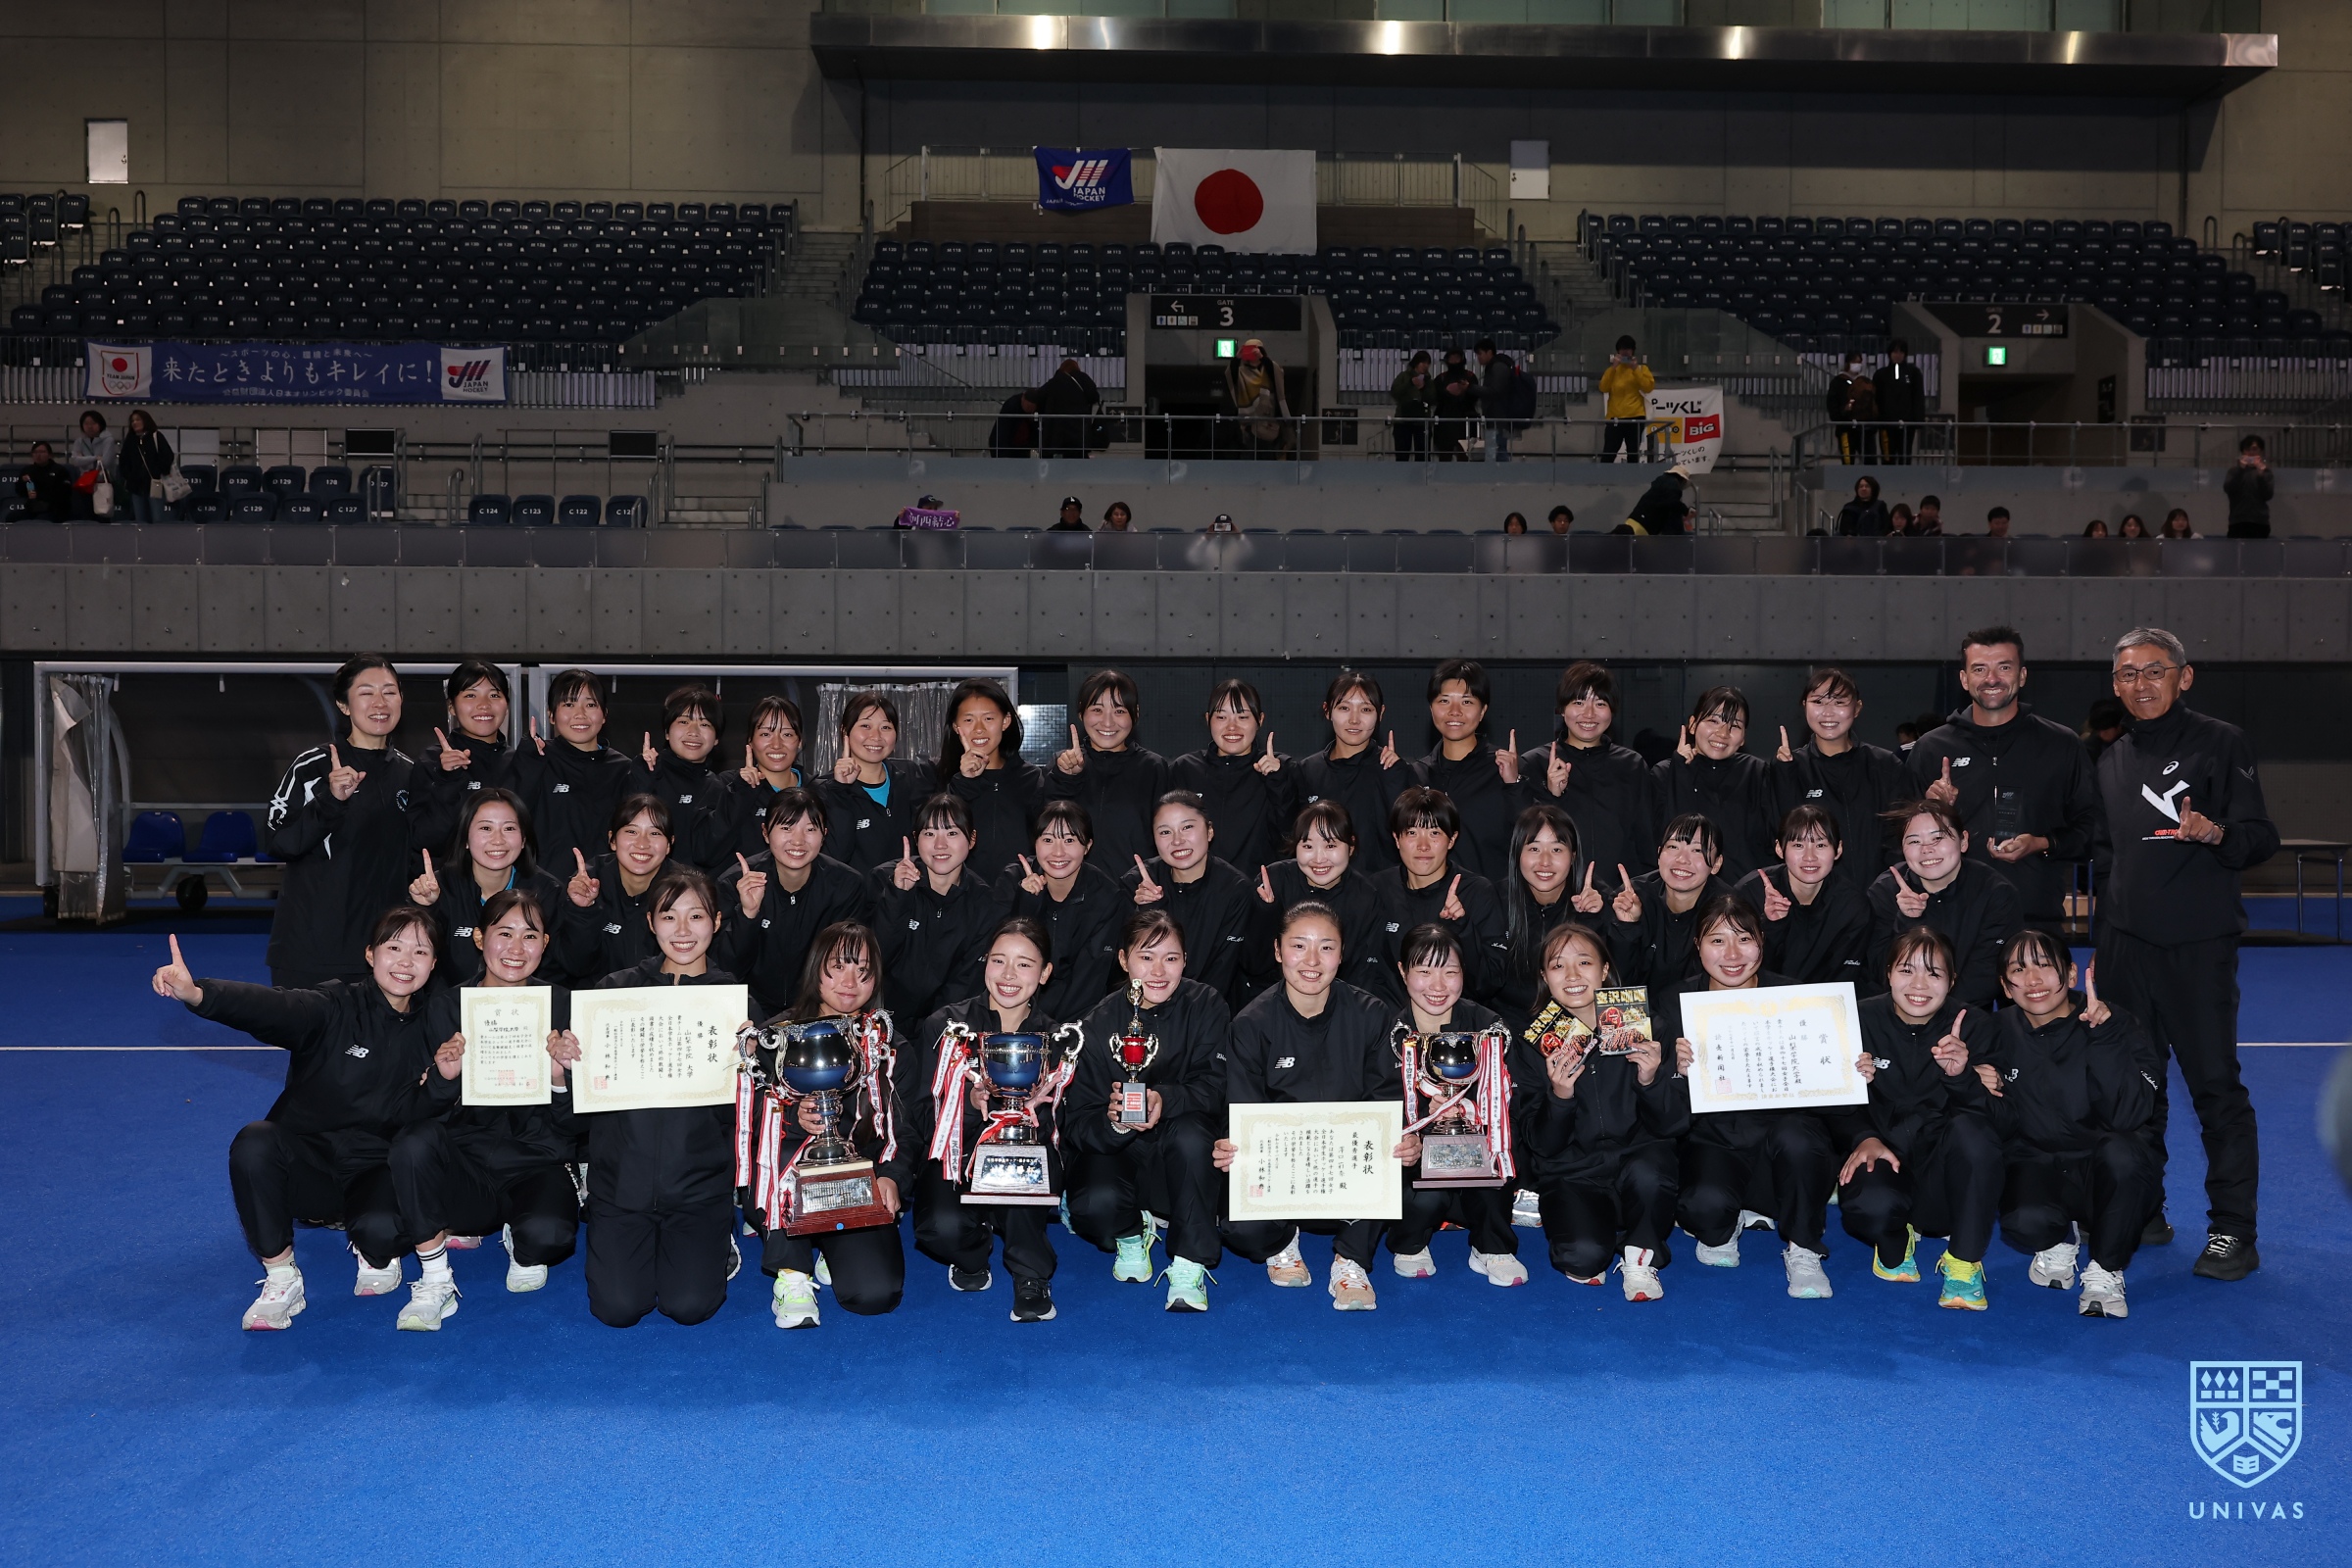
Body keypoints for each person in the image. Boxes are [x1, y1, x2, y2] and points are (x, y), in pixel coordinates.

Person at [153, 910, 444, 1330]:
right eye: (393, 947)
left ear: (434, 964)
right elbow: (272, 1006)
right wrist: (199, 994)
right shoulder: (334, 1004)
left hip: (379, 1168)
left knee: (381, 1233)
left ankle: (373, 1245)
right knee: (255, 1142)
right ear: (370, 954)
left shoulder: (439, 1022)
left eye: (420, 952)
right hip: (312, 1163)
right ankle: (282, 1277)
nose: (405, 962)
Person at [2091, 625, 2277, 1280]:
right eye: (2127, 674)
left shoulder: (2221, 742)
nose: (2140, 684)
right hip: (2125, 950)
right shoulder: (2109, 759)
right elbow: (2109, 857)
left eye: (2154, 671)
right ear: (2115, 685)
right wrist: (2104, 942)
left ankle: (2233, 1231)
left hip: (2198, 948)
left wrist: (2216, 832)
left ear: (2183, 676)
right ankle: (2145, 1209)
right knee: (2135, 1089)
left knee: (2214, 1087)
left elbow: (2260, 837)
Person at [395, 890, 585, 1328]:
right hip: (467, 1163)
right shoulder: (446, 1007)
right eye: (504, 933)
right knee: (413, 1142)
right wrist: (444, 1078)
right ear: (479, 938)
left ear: (545, 943)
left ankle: (520, 1233)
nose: (516, 949)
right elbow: (416, 1111)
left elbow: (578, 1124)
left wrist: (559, 1078)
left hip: (538, 1160)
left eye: (530, 936)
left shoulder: (566, 1006)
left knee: (549, 1238)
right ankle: (436, 1278)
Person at [1216, 902, 1402, 1310]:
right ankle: (1283, 1240)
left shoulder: (1372, 1015)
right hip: (1283, 1165)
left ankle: (1351, 1258)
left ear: (1342, 953)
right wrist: (1232, 1146)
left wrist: (1401, 1139)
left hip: (1347, 1165)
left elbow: (1386, 1101)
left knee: (1396, 1151)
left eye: (1326, 947)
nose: (1312, 961)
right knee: (1238, 1225)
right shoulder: (1250, 1024)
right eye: (1299, 946)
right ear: (1278, 950)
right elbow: (1243, 1110)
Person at [1665, 895, 1842, 1298]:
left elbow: (1833, 1097)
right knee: (1703, 1211)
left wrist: (1851, 1069)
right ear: (1697, 945)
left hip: (1783, 1139)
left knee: (1799, 1138)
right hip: (1714, 1138)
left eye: (1744, 939)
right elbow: (1663, 1107)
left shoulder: (1798, 998)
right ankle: (1729, 1218)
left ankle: (1803, 1246)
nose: (1732, 954)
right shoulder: (1675, 1003)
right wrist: (1675, 1072)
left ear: (1763, 940)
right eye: (1717, 940)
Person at [1978, 929, 2161, 1319]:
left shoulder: (2116, 1022)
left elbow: (2130, 1114)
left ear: (2072, 974)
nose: (2033, 980)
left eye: (2045, 966)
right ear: (2005, 987)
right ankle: (2061, 1237)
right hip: (2038, 1162)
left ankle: (2106, 1268)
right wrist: (1971, 1078)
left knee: (2125, 1154)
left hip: (2107, 1168)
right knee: (2025, 1223)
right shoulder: (1994, 1031)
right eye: (2018, 970)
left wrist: (2103, 1038)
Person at [903, 917, 1068, 1322]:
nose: (1008, 975)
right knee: (939, 1228)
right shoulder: (947, 1027)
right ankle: (975, 1251)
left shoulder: (1055, 1040)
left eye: (1024, 964)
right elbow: (920, 1112)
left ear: (1045, 973)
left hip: (1024, 1157)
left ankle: (1030, 1274)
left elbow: (1068, 1126)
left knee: (1029, 1163)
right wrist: (967, 1102)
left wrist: (1034, 1111)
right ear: (985, 963)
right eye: (999, 961)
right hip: (957, 1156)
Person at [744, 920, 907, 1328]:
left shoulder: (888, 1045)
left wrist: (891, 1176)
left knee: (874, 1295)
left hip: (857, 1183)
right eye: (838, 967)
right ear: (816, 967)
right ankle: (791, 1273)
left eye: (863, 971)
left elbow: (909, 1127)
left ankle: (831, 1248)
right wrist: (790, 1114)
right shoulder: (777, 1038)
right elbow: (746, 1124)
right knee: (781, 1148)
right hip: (789, 1182)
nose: (850, 982)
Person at [1508, 921, 1683, 1300]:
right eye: (1558, 966)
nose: (1572, 975)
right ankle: (1599, 1234)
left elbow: (1674, 1125)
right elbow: (1540, 1145)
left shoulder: (1646, 1026)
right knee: (1582, 1259)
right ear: (1544, 977)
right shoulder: (1531, 1042)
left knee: (1651, 1171)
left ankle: (1641, 1254)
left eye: (1584, 962)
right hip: (1572, 1172)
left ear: (1604, 970)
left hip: (1638, 1162)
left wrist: (1650, 1080)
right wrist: (1560, 1096)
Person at [1063, 910, 1228, 1311]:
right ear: (1123, 959)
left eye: (1171, 958)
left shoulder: (1207, 1005)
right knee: (1093, 1206)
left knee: (1192, 1136)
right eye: (1146, 957)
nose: (1158, 971)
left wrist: (1163, 1099)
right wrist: (1115, 1122)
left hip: (1185, 1146)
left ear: (1185, 960)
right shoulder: (1098, 1022)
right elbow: (1077, 1120)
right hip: (1123, 1152)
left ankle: (1189, 1261)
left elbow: (1217, 1086)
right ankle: (1131, 1231)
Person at [1836, 925, 2004, 1310]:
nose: (1919, 984)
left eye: (1934, 973)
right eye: (1906, 970)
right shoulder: (1856, 1018)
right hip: (1885, 1156)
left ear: (1952, 980)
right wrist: (1863, 1135)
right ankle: (1896, 1239)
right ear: (1888, 973)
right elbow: (1830, 1104)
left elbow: (2000, 1120)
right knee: (1871, 1206)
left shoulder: (1976, 1026)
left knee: (1975, 1134)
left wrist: (1963, 1078)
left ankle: (1963, 1261)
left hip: (1946, 1174)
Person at [1908, 625, 2098, 942]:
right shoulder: (1931, 748)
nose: (1992, 679)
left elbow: (2092, 829)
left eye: (2004, 667)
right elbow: (1899, 839)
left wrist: (2042, 844)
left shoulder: (2061, 745)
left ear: (2022, 676)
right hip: (1951, 922)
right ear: (1964, 679)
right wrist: (1930, 809)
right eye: (1979, 669)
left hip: (2035, 919)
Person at [1387, 922, 1528, 1288]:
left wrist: (1472, 1113)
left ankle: (1491, 1246)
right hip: (1414, 1158)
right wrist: (1416, 1123)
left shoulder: (1489, 1028)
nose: (1438, 985)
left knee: (1497, 1159)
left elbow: (1510, 1102)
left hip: (1473, 1149)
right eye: (1424, 971)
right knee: (1420, 1189)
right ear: (1403, 972)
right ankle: (1410, 1244)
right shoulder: (1388, 1031)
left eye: (1450, 972)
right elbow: (1375, 1101)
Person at [266, 655, 418, 987]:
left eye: (389, 692)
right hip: (313, 953)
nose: (380, 703)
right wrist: (330, 800)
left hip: (386, 952)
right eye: (366, 693)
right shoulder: (313, 767)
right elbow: (279, 841)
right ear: (344, 705)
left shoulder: (411, 773)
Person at [716, 786, 876, 1020]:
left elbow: (849, 963)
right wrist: (748, 914)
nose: (798, 840)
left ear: (824, 834)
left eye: (810, 829)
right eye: (786, 828)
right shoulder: (735, 883)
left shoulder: (845, 885)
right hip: (748, 1008)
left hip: (818, 1009)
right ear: (765, 832)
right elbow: (726, 968)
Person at [1514, 662, 1657, 903]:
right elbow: (1521, 840)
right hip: (1555, 900)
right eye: (1578, 702)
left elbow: (1646, 840)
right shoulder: (1534, 763)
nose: (1589, 714)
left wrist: (1642, 894)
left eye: (1600, 704)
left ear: (1612, 710)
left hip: (1620, 899)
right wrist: (1551, 795)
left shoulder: (1632, 765)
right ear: (1562, 709)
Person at [1864, 801, 2021, 1011]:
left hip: (1965, 1014)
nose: (1927, 849)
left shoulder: (1995, 893)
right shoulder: (1886, 890)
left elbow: (1987, 973)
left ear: (1963, 841)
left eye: (1938, 838)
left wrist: (1938, 1016)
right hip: (1898, 1013)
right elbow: (1877, 970)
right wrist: (1906, 921)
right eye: (1914, 841)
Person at [407, 787, 565, 988]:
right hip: (453, 1003)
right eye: (486, 828)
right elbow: (414, 956)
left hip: (527, 1002)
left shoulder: (547, 891)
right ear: (465, 839)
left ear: (524, 840)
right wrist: (425, 908)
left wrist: (583, 911)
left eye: (509, 829)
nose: (498, 840)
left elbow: (571, 964)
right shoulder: (439, 888)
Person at [1772, 664, 1906, 898]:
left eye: (1839, 702)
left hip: (1881, 900)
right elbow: (1782, 841)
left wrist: (1889, 892)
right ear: (1804, 706)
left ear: (1857, 708)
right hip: (1816, 905)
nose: (1828, 712)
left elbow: (1900, 840)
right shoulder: (1790, 768)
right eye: (1818, 701)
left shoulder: (1885, 766)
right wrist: (1784, 774)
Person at [1371, 787, 1509, 1006]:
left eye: (1434, 833)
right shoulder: (1376, 889)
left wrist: (1462, 927)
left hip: (1457, 1021)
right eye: (1412, 833)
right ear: (1396, 839)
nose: (1423, 845)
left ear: (1452, 839)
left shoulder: (1476, 892)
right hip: (1389, 1019)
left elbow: (1490, 982)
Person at [871, 793, 998, 1023]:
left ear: (972, 839)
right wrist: (898, 896)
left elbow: (966, 981)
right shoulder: (884, 879)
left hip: (944, 1026)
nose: (940, 845)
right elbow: (875, 957)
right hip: (880, 1020)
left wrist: (935, 1029)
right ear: (916, 839)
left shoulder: (983, 901)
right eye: (929, 833)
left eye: (952, 833)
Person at [997, 801, 1126, 1021]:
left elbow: (1090, 980)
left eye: (1069, 840)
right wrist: (1027, 903)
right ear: (1034, 843)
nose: (1058, 852)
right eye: (1048, 840)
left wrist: (1055, 1030)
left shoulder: (1106, 897)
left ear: (1087, 846)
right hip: (1015, 1012)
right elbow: (1002, 959)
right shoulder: (1013, 880)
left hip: (1078, 1019)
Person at [1124, 790, 1253, 1005]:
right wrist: (1145, 910)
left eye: (1187, 827)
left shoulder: (1235, 889)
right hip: (1145, 1004)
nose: (1177, 840)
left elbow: (1225, 967)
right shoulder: (1137, 883)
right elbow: (1124, 963)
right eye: (1165, 832)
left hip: (1209, 1008)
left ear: (1209, 831)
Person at [1254, 800, 1391, 1000]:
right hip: (1272, 1000)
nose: (1319, 859)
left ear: (1351, 847)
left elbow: (1363, 974)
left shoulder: (1365, 898)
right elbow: (1252, 964)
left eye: (1330, 845)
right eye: (1308, 846)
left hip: (1339, 1003)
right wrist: (1266, 911)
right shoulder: (1273, 882)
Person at [411, 661, 545, 860]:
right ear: (451, 706)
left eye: (494, 695)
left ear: (507, 705)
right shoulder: (433, 761)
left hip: (509, 880)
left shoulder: (519, 761)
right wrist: (448, 781)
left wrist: (532, 764)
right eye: (470, 695)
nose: (484, 705)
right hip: (450, 879)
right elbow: (425, 841)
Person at [1292, 668, 1417, 877]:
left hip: (1381, 890)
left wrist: (1395, 780)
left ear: (1381, 713)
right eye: (1344, 708)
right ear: (1327, 711)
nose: (1354, 719)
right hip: (1321, 888)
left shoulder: (1395, 771)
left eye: (1366, 709)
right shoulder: (1307, 771)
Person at [1169, 678, 1295, 883]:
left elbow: (1290, 836)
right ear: (1208, 719)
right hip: (1196, 891)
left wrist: (1277, 781)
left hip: (1259, 892)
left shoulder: (1281, 768)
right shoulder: (1186, 769)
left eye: (1243, 717)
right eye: (1221, 717)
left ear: (1260, 720)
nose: (1232, 727)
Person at [1494, 804, 1607, 1027]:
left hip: (1580, 1023)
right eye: (1534, 849)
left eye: (1556, 850)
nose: (1545, 861)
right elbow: (1482, 983)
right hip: (1509, 1024)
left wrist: (1601, 921)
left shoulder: (1597, 900)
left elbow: (1619, 978)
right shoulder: (1494, 900)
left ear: (1573, 856)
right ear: (1517, 854)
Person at [1048, 668, 1168, 876]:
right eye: (1097, 709)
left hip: (1136, 890)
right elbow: (1045, 830)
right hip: (1072, 891)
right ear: (1081, 713)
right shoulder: (1062, 764)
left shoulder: (1153, 768)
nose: (1108, 722)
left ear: (1135, 714)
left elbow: (1167, 837)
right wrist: (1067, 778)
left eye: (1119, 711)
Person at [1738, 805, 1870, 988]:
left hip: (1823, 1000)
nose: (1810, 857)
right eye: (1798, 845)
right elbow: (1738, 965)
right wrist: (1771, 925)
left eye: (1820, 845)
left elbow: (1845, 977)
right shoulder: (1750, 893)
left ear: (1838, 849)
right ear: (1779, 848)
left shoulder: (1851, 904)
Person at [1654, 686, 1775, 882]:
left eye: (1734, 726)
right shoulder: (1666, 773)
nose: (1723, 733)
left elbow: (1778, 837)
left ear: (1743, 737)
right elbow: (1663, 839)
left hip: (1747, 894)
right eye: (1713, 721)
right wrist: (1681, 772)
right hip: (1686, 893)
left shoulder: (1757, 773)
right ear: (1693, 724)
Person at [529, 668, 640, 878]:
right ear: (551, 714)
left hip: (605, 889)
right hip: (544, 889)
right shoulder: (537, 760)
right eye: (569, 704)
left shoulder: (623, 769)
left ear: (604, 714)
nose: (580, 714)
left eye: (590, 705)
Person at [1605, 812, 1735, 991]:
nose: (1682, 859)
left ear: (1717, 864)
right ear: (1659, 854)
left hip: (1700, 1005)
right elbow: (1613, 982)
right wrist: (1626, 927)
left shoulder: (1730, 908)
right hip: (1640, 1006)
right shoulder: (1631, 897)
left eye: (1697, 850)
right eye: (1673, 847)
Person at [557, 794, 678, 983]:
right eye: (631, 831)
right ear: (612, 840)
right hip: (598, 997)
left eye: (655, 833)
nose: (642, 844)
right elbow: (576, 966)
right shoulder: (587, 882)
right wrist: (582, 911)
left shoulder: (685, 890)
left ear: (669, 844)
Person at [1419, 659, 1516, 883]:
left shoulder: (1506, 770)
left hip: (1491, 900)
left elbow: (1529, 839)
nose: (1454, 711)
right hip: (1429, 900)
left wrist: (1515, 785)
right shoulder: (1417, 774)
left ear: (1482, 711)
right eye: (1444, 701)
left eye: (1467, 702)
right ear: (1431, 708)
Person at [816, 689, 934, 874]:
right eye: (865, 726)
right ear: (845, 731)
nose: (876, 736)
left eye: (885, 727)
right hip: (854, 893)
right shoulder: (824, 790)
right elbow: (832, 859)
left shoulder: (909, 775)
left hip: (906, 890)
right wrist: (840, 790)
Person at [939, 676, 1044, 871]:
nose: (979, 729)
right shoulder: (943, 778)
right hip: (963, 889)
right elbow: (939, 838)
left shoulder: (1031, 779)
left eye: (988, 718)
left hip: (1021, 886)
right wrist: (964, 781)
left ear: (1006, 721)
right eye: (969, 720)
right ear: (955, 727)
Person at [634, 684, 733, 873]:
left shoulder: (721, 788)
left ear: (717, 738)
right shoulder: (647, 773)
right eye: (683, 721)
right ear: (667, 732)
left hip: (698, 889)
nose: (693, 732)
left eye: (705, 724)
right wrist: (643, 777)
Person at [719, 694, 808, 862]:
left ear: (800, 742)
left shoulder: (817, 790)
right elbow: (708, 852)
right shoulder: (728, 786)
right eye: (766, 734)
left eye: (787, 735)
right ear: (750, 741)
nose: (776, 744)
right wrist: (739, 792)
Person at [1223, 337, 1291, 459]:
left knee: (1267, 455)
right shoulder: (1242, 371)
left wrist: (1262, 357)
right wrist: (1237, 358)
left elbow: (1277, 375)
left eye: (1255, 349)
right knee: (1249, 455)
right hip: (1248, 423)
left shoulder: (1269, 367)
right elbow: (1230, 375)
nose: (1252, 352)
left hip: (1268, 421)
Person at [1477, 338, 1534, 463]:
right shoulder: (1495, 367)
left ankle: (1501, 474)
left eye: (1480, 353)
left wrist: (1472, 388)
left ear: (1489, 352)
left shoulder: (1498, 367)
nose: (1478, 357)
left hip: (1498, 419)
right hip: (1495, 419)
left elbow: (1495, 391)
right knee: (1495, 452)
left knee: (1498, 452)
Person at [1598, 335, 1651, 462]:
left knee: (1633, 454)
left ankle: (1632, 476)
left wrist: (1635, 369)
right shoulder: (1612, 370)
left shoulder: (1642, 369)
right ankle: (1602, 475)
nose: (1625, 352)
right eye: (1622, 349)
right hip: (1615, 417)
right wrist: (1614, 367)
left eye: (1628, 349)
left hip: (1636, 416)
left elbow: (1648, 387)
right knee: (1608, 453)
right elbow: (1603, 388)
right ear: (1618, 351)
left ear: (1633, 351)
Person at [1873, 339, 1926, 463]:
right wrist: (1877, 420)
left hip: (1907, 424)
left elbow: (1918, 397)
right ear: (1890, 354)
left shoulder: (1914, 373)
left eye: (1901, 352)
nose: (1898, 355)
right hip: (1886, 423)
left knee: (1905, 457)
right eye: (1895, 352)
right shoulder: (1880, 374)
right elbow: (1876, 398)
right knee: (1887, 458)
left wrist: (1917, 420)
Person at [1034, 358, 1099, 459]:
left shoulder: (1054, 382)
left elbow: (1039, 398)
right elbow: (1094, 397)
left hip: (1055, 433)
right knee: (1078, 460)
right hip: (1079, 431)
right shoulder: (1084, 379)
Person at [117, 410, 172, 523]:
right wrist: (130, 476)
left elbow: (167, 456)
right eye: (132, 421)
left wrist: (157, 471)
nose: (134, 423)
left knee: (157, 519)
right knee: (140, 520)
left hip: (155, 484)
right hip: (136, 486)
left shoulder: (156, 436)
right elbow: (123, 461)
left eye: (138, 420)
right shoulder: (130, 440)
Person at [1828, 353, 1878, 465]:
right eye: (1854, 362)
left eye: (1859, 362)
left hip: (1866, 430)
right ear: (1847, 363)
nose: (1857, 365)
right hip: (1846, 429)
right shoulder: (1838, 382)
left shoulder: (1866, 382)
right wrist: (1843, 413)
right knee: (1848, 462)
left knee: (1870, 462)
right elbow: (1832, 405)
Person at [1430, 347, 1479, 462]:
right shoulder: (1441, 378)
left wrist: (1464, 391)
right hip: (1445, 421)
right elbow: (1435, 397)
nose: (1454, 361)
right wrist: (1448, 392)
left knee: (1464, 455)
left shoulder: (1470, 376)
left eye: (1457, 358)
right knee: (1444, 456)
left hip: (1465, 421)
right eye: (1451, 358)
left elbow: (1475, 396)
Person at [70, 410, 117, 518]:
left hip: (102, 482)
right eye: (86, 424)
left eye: (93, 423)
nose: (90, 427)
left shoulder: (108, 440)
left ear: (100, 424)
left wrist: (84, 459)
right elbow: (75, 461)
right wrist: (95, 458)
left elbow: (105, 462)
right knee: (86, 514)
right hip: (85, 483)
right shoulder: (79, 441)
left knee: (103, 514)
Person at [2224, 434, 2272, 538]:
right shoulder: (2234, 471)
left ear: (2260, 451)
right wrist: (2240, 470)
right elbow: (2228, 489)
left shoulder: (2266, 472)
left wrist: (2260, 476)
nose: (2251, 453)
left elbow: (2268, 495)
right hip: (2238, 521)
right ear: (2242, 452)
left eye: (2254, 449)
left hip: (2260, 522)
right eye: (2247, 449)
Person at [1390, 350, 1433, 463]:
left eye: (1428, 363)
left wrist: (1423, 388)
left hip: (1422, 422)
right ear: (1416, 363)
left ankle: (1421, 474)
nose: (1425, 365)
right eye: (1423, 362)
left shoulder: (1428, 380)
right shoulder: (1403, 376)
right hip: (1403, 420)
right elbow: (1395, 392)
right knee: (1402, 455)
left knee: (1423, 456)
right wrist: (1410, 383)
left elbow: (1433, 398)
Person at [14, 442, 73, 520]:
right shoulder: (27, 470)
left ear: (50, 455)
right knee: (12, 517)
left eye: (42, 452)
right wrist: (22, 483)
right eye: (35, 452)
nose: (38, 455)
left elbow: (65, 493)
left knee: (42, 519)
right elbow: (19, 491)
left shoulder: (59, 470)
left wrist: (44, 499)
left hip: (54, 508)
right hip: (33, 507)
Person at [1625, 469, 1690, 535]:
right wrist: (1686, 511)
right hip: (1645, 525)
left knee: (1626, 538)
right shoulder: (1673, 484)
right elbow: (1673, 502)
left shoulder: (1660, 483)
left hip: (1634, 519)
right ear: (1683, 480)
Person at [2082, 696, 2128, 767]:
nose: (2101, 735)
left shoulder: (2130, 744)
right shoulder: (2091, 747)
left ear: (2118, 728)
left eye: (2106, 731)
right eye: (2099, 731)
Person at [988, 392, 1036, 458]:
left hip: (1021, 446)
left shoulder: (1016, 405)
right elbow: (1001, 435)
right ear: (1023, 399)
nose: (1030, 411)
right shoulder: (1011, 406)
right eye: (1028, 407)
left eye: (1032, 409)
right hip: (1006, 445)